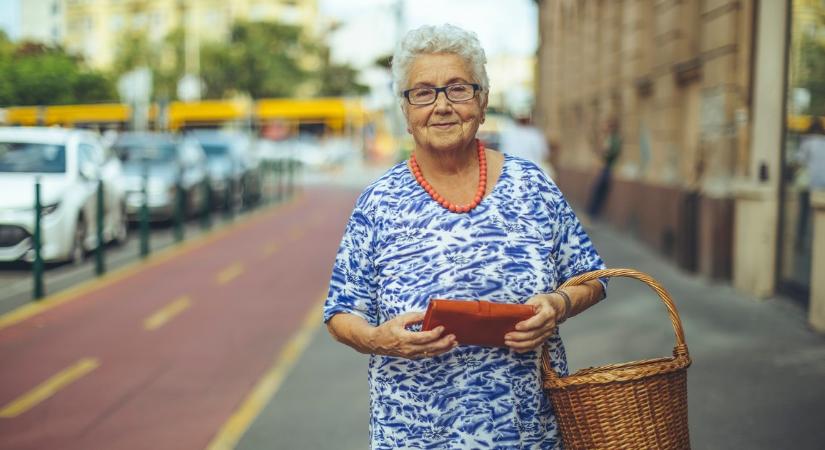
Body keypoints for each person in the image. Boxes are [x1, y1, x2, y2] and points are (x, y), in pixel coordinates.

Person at [324, 24, 606, 449]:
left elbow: (593, 278)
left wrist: (557, 305)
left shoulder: (531, 185)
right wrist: (378, 339)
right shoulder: (378, 203)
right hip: (414, 435)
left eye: (458, 89)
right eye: (423, 92)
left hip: (527, 433)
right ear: (405, 109)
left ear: (483, 100)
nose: (441, 106)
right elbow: (340, 311)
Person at [499, 112, 555, 179]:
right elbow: (544, 154)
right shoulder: (535, 134)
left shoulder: (508, 133)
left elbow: (502, 152)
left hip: (511, 171)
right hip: (532, 171)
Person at [587, 118, 622, 219]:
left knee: (598, 192)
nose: (604, 127)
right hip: (602, 168)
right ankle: (591, 214)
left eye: (606, 125)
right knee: (595, 191)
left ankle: (593, 215)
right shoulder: (607, 138)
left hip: (607, 170)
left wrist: (604, 152)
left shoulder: (615, 139)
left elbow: (610, 153)